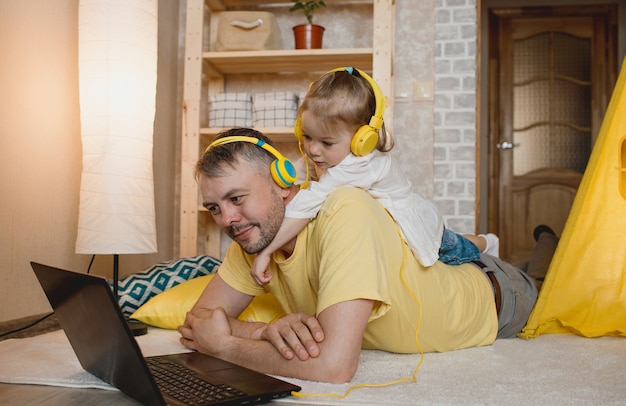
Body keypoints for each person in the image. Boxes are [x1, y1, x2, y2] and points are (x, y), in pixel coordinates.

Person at [178, 127, 545, 384]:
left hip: (499, 295)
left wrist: (226, 345)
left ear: (283, 181)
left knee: (548, 277)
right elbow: (198, 320)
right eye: (213, 207)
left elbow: (334, 368)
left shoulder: (343, 208)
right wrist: (261, 331)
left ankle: (545, 243)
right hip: (458, 273)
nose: (226, 219)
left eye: (236, 198)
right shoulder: (252, 237)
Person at [250, 67, 498, 286]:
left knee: (457, 251)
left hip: (413, 221)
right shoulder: (326, 155)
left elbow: (307, 204)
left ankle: (487, 243)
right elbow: (299, 170)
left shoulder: (358, 163)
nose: (313, 149)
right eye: (306, 137)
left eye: (326, 142)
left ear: (362, 139)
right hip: (384, 223)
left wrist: (267, 251)